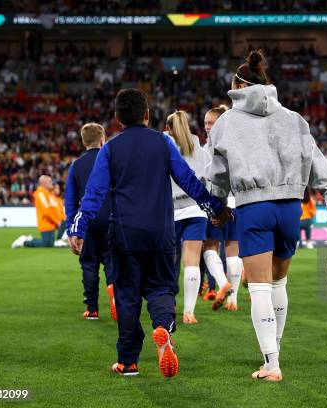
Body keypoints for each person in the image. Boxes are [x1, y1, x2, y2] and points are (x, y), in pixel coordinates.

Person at [67, 89, 230, 377]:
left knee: (127, 294)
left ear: (117, 119)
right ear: (147, 115)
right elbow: (189, 181)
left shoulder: (110, 149)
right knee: (162, 288)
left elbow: (93, 194)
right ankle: (163, 326)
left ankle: (128, 361)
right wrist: (214, 208)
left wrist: (78, 228)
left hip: (125, 235)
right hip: (161, 233)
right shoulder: (163, 143)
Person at [207, 50, 327, 382]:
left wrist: (216, 206)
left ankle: (271, 363)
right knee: (279, 281)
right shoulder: (294, 118)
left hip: (254, 206)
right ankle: (274, 351)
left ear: (238, 85)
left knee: (260, 289)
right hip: (290, 207)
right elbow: (316, 158)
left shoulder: (227, 121)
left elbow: (217, 173)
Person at [165, 110, 219, 324]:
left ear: (168, 128)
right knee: (192, 262)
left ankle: (171, 305)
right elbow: (209, 177)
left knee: (170, 262)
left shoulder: (164, 146)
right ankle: (189, 312)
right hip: (197, 210)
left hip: (171, 210)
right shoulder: (199, 147)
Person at [64, 122, 115, 321]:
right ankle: (114, 291)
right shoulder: (110, 161)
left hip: (87, 221)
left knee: (89, 263)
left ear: (83, 141)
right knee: (112, 260)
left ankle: (92, 308)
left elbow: (70, 200)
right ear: (102, 139)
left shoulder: (77, 165)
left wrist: (71, 230)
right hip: (111, 218)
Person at [201, 105, 243, 311]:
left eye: (211, 122)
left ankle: (222, 284)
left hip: (218, 204)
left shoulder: (206, 150)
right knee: (233, 251)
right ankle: (233, 299)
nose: (208, 127)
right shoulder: (238, 143)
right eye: (206, 123)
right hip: (237, 204)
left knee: (209, 247)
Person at [11, 175, 63, 248]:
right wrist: (56, 221)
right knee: (46, 244)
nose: (52, 183)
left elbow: (55, 208)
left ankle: (28, 239)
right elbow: (46, 212)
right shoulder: (41, 194)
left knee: (49, 243)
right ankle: (24, 242)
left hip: (52, 223)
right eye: (50, 181)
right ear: (44, 183)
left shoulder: (49, 194)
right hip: (46, 223)